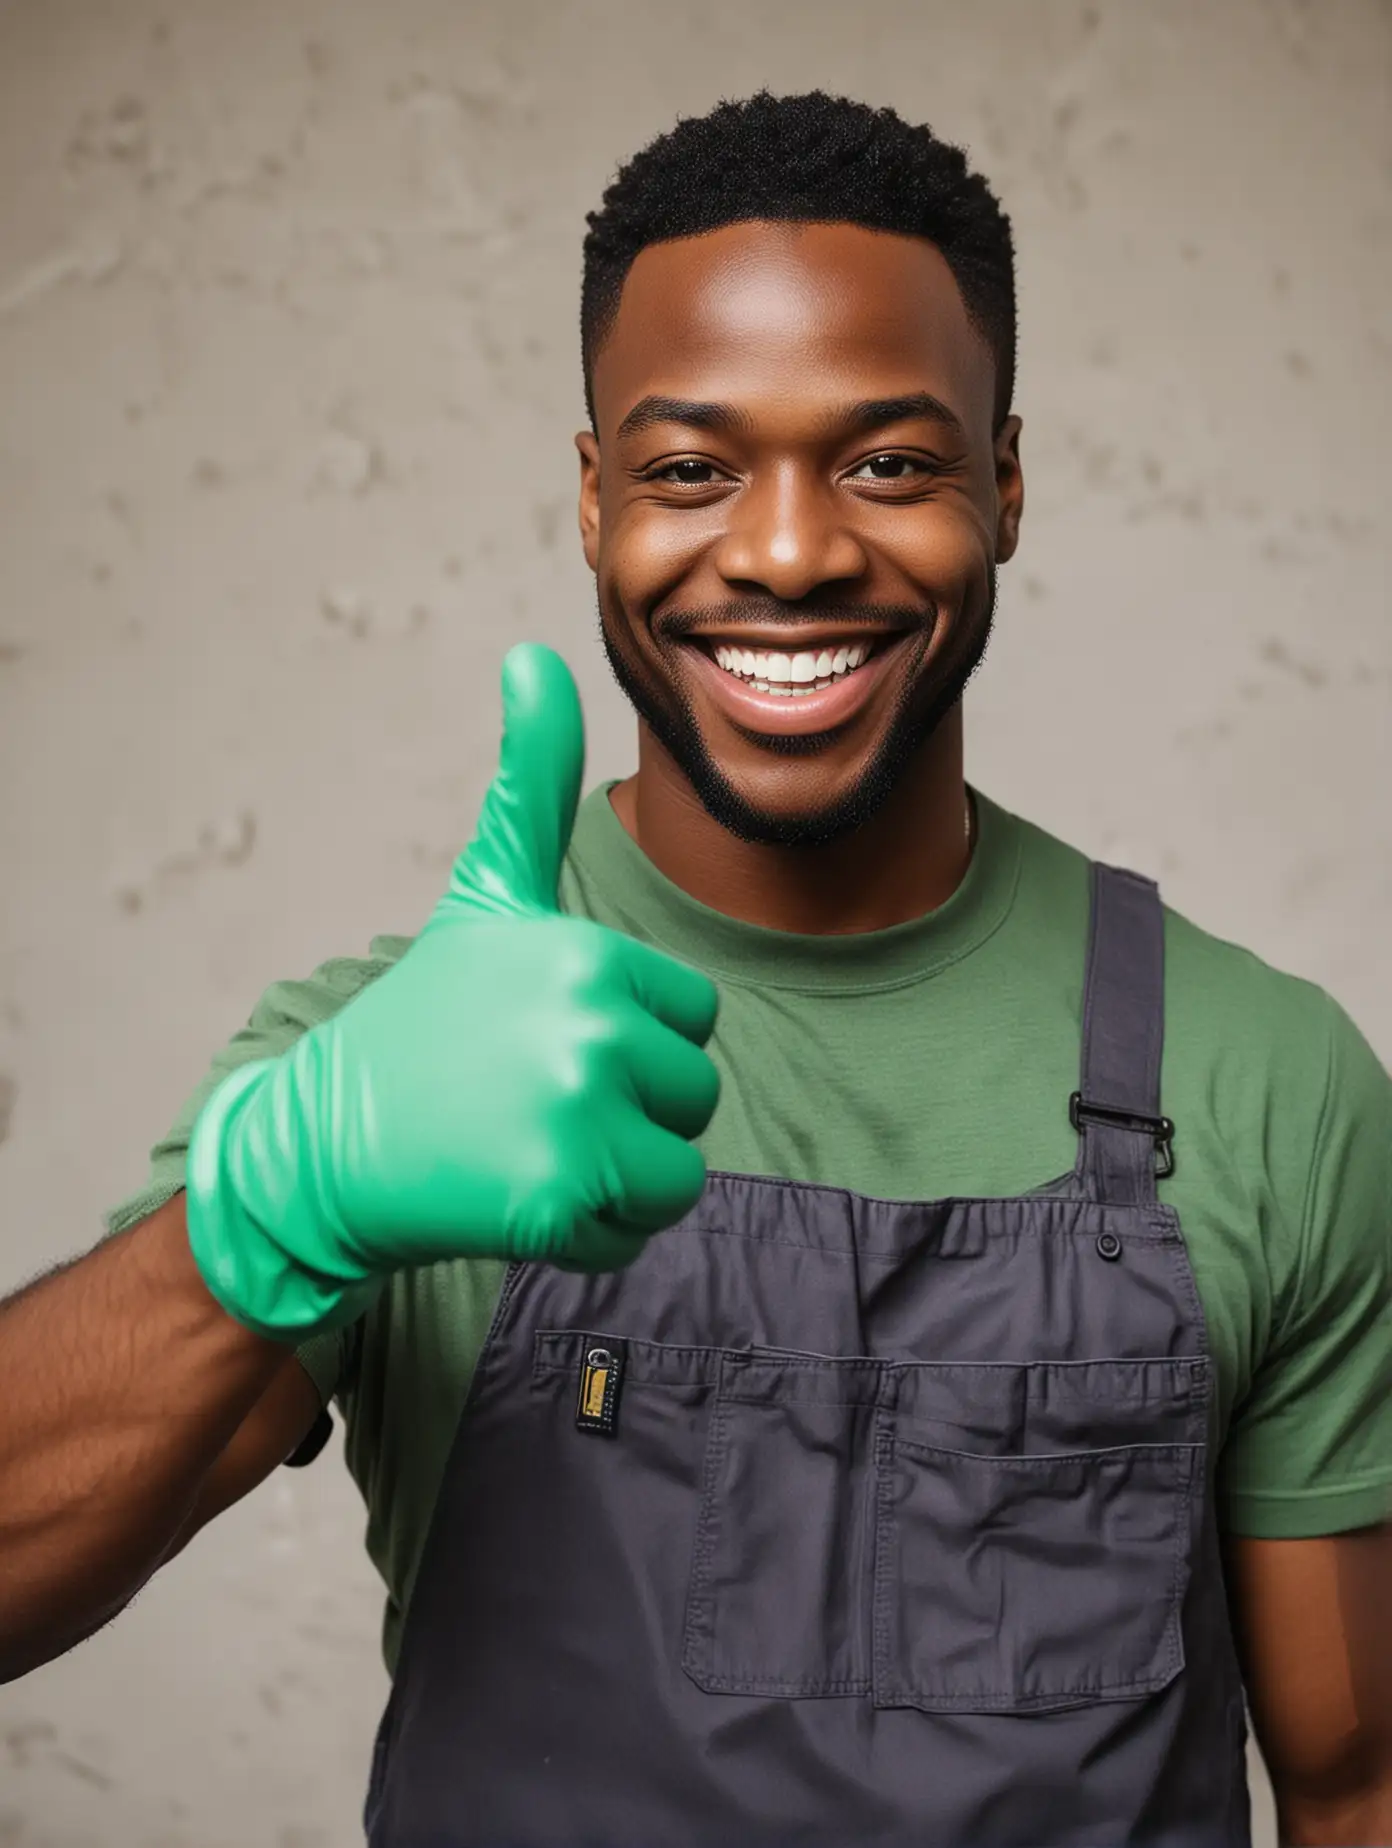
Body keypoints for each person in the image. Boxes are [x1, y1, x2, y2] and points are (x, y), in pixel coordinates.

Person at [0, 91, 1387, 1848]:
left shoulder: (1265, 1083)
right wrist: (270, 1216)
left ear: (1008, 486)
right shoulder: (401, 1068)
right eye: (688, 469)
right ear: (594, 502)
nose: (791, 551)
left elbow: (1358, 1786)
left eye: (887, 461)